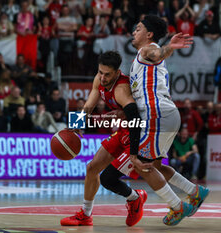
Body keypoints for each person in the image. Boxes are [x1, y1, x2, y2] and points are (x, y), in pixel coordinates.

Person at [127, 15, 208, 226]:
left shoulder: (148, 50)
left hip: (158, 114)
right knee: (154, 165)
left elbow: (158, 53)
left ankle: (177, 206)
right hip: (166, 115)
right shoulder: (141, 56)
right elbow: (159, 56)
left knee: (142, 165)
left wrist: (168, 47)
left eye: (138, 29)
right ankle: (195, 191)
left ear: (149, 34)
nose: (133, 32)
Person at [60, 51, 148, 227]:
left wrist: (134, 153)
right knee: (92, 168)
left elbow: (136, 119)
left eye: (107, 74)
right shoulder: (98, 79)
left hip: (138, 133)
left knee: (109, 179)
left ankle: (135, 198)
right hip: (124, 129)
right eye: (100, 72)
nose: (103, 77)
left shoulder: (121, 89)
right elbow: (88, 106)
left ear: (117, 73)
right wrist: (74, 126)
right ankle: (85, 215)